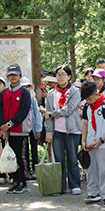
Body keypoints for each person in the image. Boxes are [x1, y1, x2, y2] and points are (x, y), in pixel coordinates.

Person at [42, 65, 83, 196]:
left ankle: (74, 184)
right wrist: (49, 131)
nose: (60, 77)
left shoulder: (75, 91)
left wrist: (52, 113)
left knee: (72, 158)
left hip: (72, 130)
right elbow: (47, 115)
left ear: (69, 76)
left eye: (63, 74)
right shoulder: (51, 93)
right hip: (57, 131)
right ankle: (59, 186)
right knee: (58, 159)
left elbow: (69, 110)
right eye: (58, 75)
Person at [80, 81, 105, 207]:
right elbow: (85, 124)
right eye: (86, 99)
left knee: (104, 170)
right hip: (90, 143)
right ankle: (93, 192)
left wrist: (102, 139)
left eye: (90, 98)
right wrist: (83, 141)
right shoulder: (87, 106)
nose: (88, 101)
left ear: (96, 93)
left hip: (104, 144)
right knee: (91, 169)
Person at [0, 63, 32, 194]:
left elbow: (23, 111)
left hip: (20, 130)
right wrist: (4, 128)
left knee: (20, 156)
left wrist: (10, 124)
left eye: (15, 75)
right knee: (9, 157)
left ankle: (23, 182)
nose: (13, 77)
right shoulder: (4, 93)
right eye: (10, 75)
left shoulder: (24, 92)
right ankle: (15, 180)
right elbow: (0, 112)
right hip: (7, 132)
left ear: (20, 76)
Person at [20, 77, 42, 181]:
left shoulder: (33, 99)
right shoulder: (19, 99)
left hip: (32, 128)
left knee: (34, 150)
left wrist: (38, 129)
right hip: (23, 129)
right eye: (23, 87)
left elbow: (37, 115)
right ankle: (26, 170)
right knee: (24, 151)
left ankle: (35, 170)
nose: (25, 89)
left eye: (27, 87)